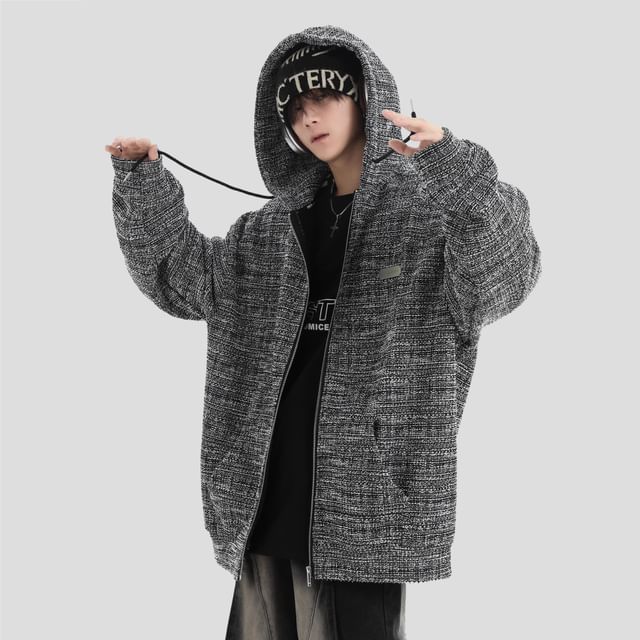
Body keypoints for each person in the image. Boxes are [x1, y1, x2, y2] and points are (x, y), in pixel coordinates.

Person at [106, 25, 542, 640]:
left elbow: (505, 274)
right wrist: (141, 182)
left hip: (363, 511)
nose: (309, 115)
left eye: (326, 95)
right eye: (294, 105)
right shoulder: (266, 232)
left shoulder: (430, 220)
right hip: (262, 499)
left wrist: (453, 169)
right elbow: (179, 278)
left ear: (366, 95)